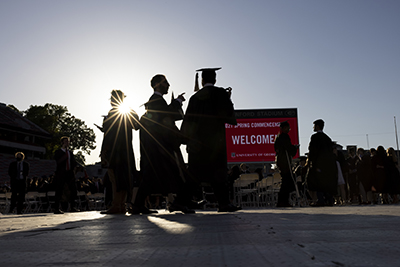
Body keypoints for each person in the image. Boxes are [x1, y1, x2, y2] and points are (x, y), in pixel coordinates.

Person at [131, 74, 193, 214]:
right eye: (166, 83)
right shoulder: (156, 101)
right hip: (158, 148)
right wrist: (177, 101)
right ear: (158, 84)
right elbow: (167, 115)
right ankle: (179, 202)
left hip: (157, 148)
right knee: (174, 173)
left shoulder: (156, 102)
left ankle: (179, 202)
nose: (168, 85)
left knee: (166, 174)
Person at [181, 67, 240, 212]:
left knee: (194, 174)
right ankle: (224, 203)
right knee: (218, 172)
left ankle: (182, 201)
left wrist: (185, 139)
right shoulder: (220, 93)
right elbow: (228, 115)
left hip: (197, 144)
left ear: (202, 80)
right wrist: (228, 99)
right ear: (215, 79)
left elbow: (188, 120)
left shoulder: (194, 98)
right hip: (215, 142)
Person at [101, 90, 140, 214]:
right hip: (126, 150)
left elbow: (109, 134)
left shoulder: (116, 113)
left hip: (115, 150)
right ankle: (121, 205)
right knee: (122, 178)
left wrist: (104, 151)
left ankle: (117, 205)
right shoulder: (126, 112)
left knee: (116, 178)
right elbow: (136, 125)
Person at [305, 119, 337, 206]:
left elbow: (312, 150)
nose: (313, 128)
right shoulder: (327, 138)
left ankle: (320, 200)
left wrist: (309, 161)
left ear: (318, 126)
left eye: (314, 126)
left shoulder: (315, 137)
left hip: (318, 163)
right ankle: (329, 199)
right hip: (327, 164)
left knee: (317, 182)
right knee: (326, 181)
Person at [274, 121, 299, 207]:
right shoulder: (284, 137)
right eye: (288, 128)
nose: (289, 130)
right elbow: (289, 148)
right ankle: (282, 201)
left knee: (286, 181)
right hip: (285, 162)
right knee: (286, 181)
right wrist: (295, 148)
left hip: (281, 161)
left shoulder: (278, 137)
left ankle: (283, 201)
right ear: (284, 128)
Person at [53, 137, 79, 214]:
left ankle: (72, 206)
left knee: (73, 189)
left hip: (69, 173)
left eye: (68, 142)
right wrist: (64, 156)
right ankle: (56, 208)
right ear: (62, 143)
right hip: (61, 173)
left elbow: (73, 162)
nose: (67, 143)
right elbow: (58, 161)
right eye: (66, 142)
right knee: (59, 190)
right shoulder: (58, 152)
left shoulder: (70, 153)